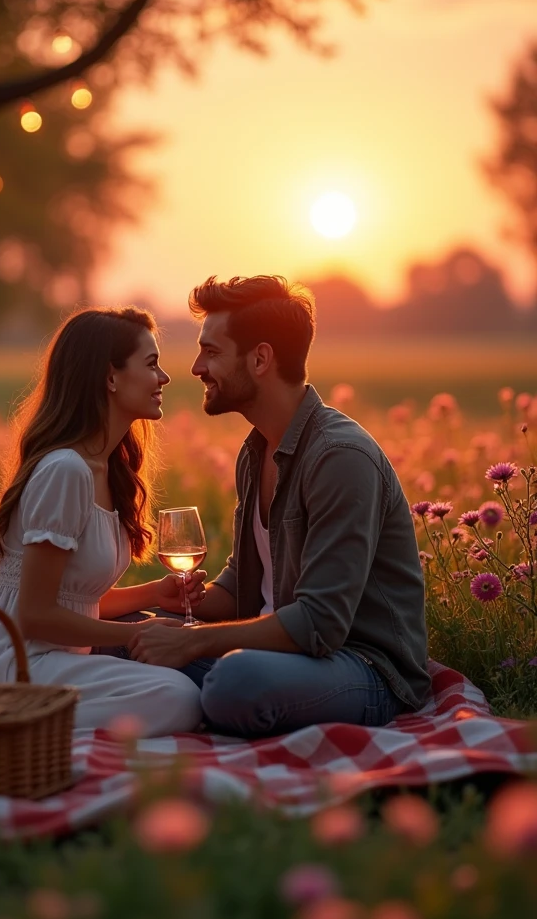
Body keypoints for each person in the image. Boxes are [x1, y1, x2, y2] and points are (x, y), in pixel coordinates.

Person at [129, 275, 431, 737]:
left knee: (235, 682)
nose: (195, 367)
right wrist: (164, 608)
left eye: (211, 351)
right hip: (282, 655)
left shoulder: (339, 458)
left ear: (261, 358)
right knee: (126, 634)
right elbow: (243, 591)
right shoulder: (256, 453)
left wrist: (189, 644)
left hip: (361, 666)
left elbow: (321, 624)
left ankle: (197, 697)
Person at [0, 306, 204, 736]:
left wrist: (157, 594)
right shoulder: (66, 470)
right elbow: (34, 614)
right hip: (11, 660)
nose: (164, 378)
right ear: (110, 377)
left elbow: (71, 599)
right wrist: (139, 632)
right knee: (178, 697)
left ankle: (15, 723)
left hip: (47, 657)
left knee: (177, 693)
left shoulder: (104, 468)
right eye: (151, 364)